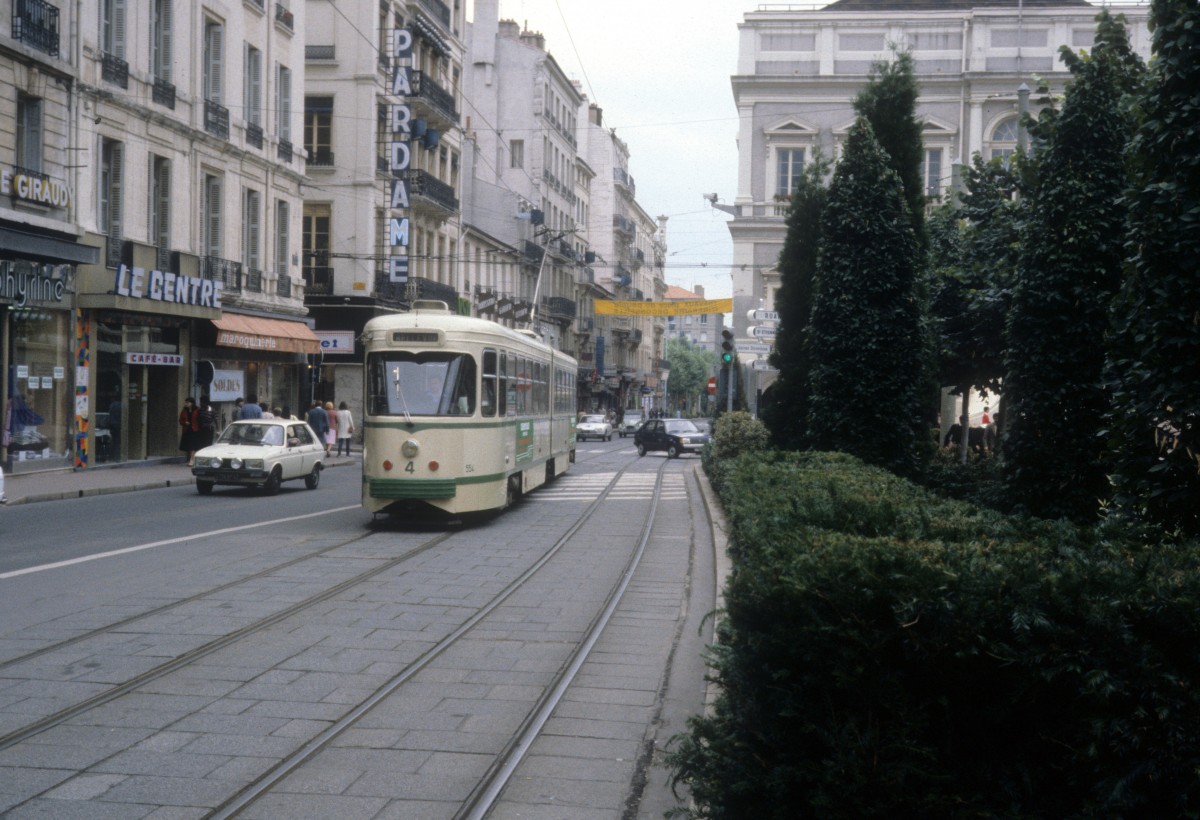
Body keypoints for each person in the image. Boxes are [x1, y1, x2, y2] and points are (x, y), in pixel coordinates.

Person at [178, 397, 203, 467]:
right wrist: (184, 422)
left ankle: (191, 460)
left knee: (193, 445)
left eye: (188, 402)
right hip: (187, 429)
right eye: (186, 402)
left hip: (195, 429)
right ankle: (191, 460)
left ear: (192, 403)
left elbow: (200, 419)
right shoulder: (184, 410)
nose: (186, 404)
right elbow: (180, 420)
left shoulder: (197, 410)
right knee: (189, 446)